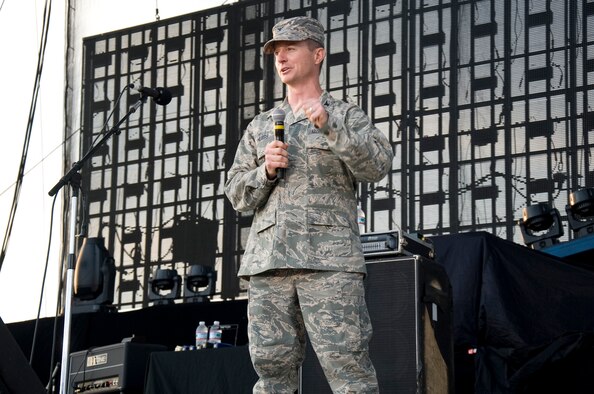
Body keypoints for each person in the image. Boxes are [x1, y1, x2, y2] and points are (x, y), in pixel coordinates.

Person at [224, 16, 393, 394]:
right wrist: (264, 170)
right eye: (276, 52)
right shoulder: (261, 126)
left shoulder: (347, 115)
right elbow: (236, 193)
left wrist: (330, 126)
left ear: (317, 54)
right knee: (272, 376)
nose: (281, 58)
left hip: (328, 263)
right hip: (269, 265)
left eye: (290, 49)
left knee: (349, 371)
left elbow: (376, 166)